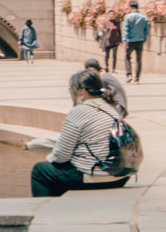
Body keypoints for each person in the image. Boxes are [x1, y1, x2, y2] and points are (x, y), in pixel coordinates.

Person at [28, 68, 132, 197]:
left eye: (71, 90)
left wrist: (49, 159)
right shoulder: (111, 108)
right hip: (119, 176)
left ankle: (47, 214)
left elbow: (62, 156)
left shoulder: (79, 111)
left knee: (41, 170)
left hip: (96, 178)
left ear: (82, 91)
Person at [122, 0, 149, 83]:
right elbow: (147, 30)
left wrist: (125, 41)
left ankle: (129, 74)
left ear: (130, 8)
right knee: (138, 60)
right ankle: (137, 78)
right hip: (140, 40)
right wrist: (144, 39)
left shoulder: (127, 17)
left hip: (130, 40)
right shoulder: (144, 18)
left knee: (127, 57)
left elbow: (125, 29)